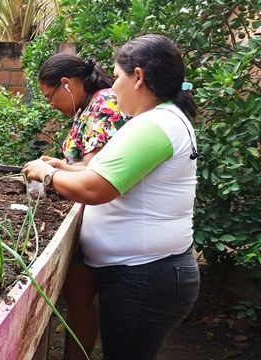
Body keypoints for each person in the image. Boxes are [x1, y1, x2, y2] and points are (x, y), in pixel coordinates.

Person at [23, 34, 200, 360]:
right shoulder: (155, 121)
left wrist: (47, 174)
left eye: (118, 77)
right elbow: (102, 173)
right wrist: (63, 167)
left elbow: (95, 189)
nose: (113, 87)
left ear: (138, 77)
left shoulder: (157, 125)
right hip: (140, 272)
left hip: (146, 275)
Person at [35, 53, 125, 360]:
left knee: (81, 299)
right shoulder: (88, 107)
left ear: (67, 84)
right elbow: (87, 164)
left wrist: (50, 174)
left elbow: (94, 174)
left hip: (105, 220)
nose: (50, 105)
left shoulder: (103, 106)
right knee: (77, 298)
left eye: (50, 97)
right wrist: (59, 164)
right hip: (91, 217)